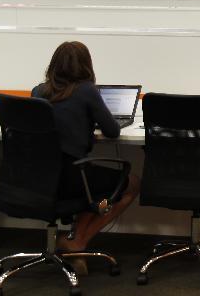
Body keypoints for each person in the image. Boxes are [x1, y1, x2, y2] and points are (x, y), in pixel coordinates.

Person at [31, 42, 140, 266]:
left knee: (92, 183)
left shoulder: (38, 91)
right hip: (72, 179)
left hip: (39, 180)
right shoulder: (87, 91)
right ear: (85, 66)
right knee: (131, 183)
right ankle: (79, 240)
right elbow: (112, 130)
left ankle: (75, 239)